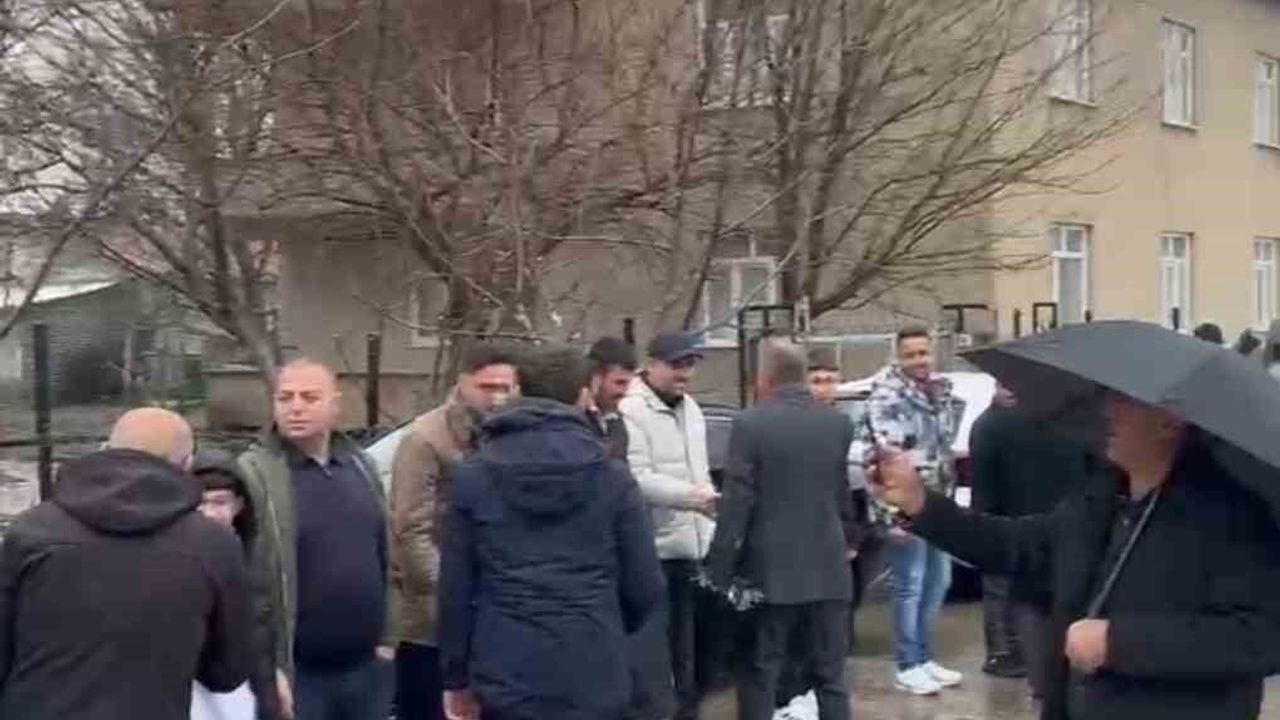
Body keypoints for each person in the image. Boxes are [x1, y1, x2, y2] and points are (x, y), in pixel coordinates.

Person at [873, 392, 1280, 720]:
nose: (1108, 411)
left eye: (1125, 401)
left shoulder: (1231, 516)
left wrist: (1119, 642)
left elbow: (1258, 636)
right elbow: (1014, 545)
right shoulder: (1100, 501)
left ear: (1169, 422)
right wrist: (920, 503)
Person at [438, 344, 666, 720]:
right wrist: (603, 621)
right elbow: (646, 586)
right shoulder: (612, 478)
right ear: (584, 395)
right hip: (593, 666)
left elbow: (455, 590)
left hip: (505, 670)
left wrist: (456, 677)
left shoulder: (474, 477)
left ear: (518, 391)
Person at [0, 408, 249, 719]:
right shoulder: (213, 544)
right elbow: (227, 672)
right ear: (186, 465)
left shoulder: (32, 530)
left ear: (106, 449)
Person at [707, 339, 856, 720]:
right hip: (829, 568)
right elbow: (841, 491)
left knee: (760, 671)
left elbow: (737, 501)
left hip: (769, 572)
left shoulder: (750, 424)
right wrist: (851, 539)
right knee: (830, 675)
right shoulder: (837, 423)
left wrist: (719, 567)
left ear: (765, 378)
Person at [239, 359, 396, 720]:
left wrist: (388, 638)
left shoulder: (360, 466)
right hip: (299, 677)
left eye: (309, 397)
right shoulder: (255, 474)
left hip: (367, 669)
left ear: (335, 405)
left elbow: (386, 553)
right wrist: (268, 668)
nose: (295, 407)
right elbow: (245, 580)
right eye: (285, 397)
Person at [389, 344, 516, 720]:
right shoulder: (425, 439)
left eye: (506, 387)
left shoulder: (509, 436)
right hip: (432, 619)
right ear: (462, 383)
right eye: (487, 387)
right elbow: (411, 529)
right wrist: (452, 596)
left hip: (492, 614)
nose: (497, 397)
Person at [849, 326, 964, 696]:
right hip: (904, 507)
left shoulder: (938, 392)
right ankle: (907, 664)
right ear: (898, 357)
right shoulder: (887, 397)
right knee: (909, 585)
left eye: (923, 353)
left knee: (938, 581)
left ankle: (925, 657)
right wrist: (891, 514)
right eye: (911, 354)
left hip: (936, 503)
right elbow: (883, 461)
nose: (919, 360)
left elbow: (943, 447)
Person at [620, 331, 720, 720]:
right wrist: (695, 498)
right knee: (654, 654)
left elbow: (699, 470)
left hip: (693, 548)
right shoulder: (632, 410)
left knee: (691, 651)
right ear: (652, 365)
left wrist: (709, 513)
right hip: (655, 550)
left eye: (690, 364)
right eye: (677, 365)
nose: (685, 373)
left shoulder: (691, 408)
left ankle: (687, 710)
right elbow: (637, 477)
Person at [970, 387, 1091, 699]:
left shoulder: (991, 424)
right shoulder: (1085, 424)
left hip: (1019, 538)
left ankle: (1007, 656)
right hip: (1073, 543)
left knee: (1008, 600)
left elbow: (983, 489)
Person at [192, 450, 277, 720]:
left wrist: (275, 677)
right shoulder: (180, 558)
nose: (209, 513)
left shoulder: (258, 555)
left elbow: (269, 625)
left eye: (220, 502)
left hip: (250, 684)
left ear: (239, 505)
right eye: (200, 503)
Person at [587, 336, 637, 461]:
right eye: (619, 383)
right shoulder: (575, 420)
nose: (624, 392)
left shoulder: (616, 420)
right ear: (596, 378)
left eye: (628, 384)